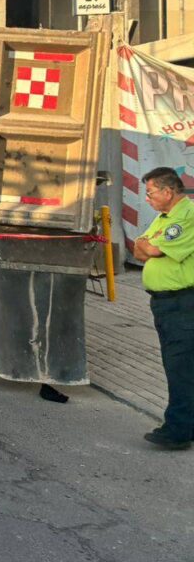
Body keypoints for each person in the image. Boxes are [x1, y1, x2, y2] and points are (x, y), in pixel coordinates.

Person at [133, 166, 194, 451]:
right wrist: (147, 246)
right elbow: (139, 249)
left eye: (150, 193)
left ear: (168, 191)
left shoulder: (187, 216)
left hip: (182, 303)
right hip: (167, 304)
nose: (147, 199)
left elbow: (153, 250)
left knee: (180, 367)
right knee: (180, 365)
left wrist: (150, 247)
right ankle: (186, 426)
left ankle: (177, 430)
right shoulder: (165, 216)